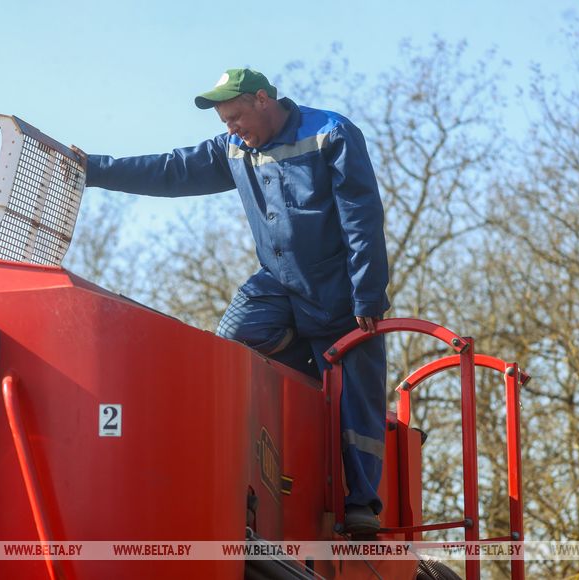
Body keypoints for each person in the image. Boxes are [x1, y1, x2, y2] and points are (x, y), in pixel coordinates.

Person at [72, 68, 389, 534]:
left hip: (339, 290)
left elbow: (362, 217)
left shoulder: (330, 134)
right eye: (224, 122)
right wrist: (95, 170)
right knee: (232, 338)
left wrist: (367, 293)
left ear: (263, 99)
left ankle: (362, 504)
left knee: (356, 396)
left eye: (235, 117)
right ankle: (299, 367)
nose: (231, 128)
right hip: (278, 282)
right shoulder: (235, 149)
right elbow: (172, 169)